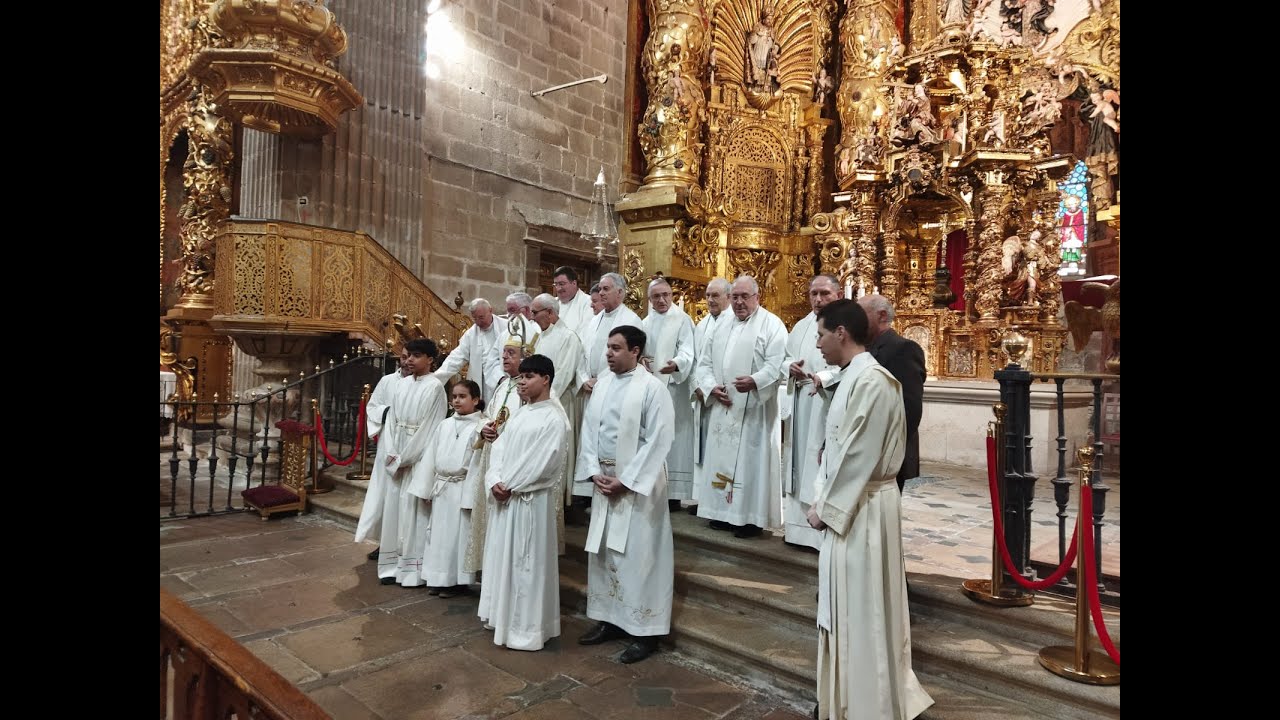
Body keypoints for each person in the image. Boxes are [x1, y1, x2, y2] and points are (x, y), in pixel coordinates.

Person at [807, 299, 934, 720]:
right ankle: (841, 698)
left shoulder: (875, 382)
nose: (818, 344)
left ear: (841, 333)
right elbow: (836, 449)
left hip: (863, 509)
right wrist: (822, 496)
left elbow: (859, 455)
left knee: (863, 608)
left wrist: (825, 508)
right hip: (851, 505)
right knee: (845, 605)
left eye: (821, 334)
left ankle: (867, 704)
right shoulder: (852, 377)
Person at [576, 325, 675, 664]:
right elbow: (589, 430)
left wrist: (627, 480)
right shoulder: (603, 384)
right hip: (605, 481)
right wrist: (593, 470)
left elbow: (660, 439)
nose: (608, 353)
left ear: (635, 351)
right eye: (607, 346)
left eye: (616, 348)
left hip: (638, 488)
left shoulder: (652, 388)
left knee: (639, 556)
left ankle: (645, 632)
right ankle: (610, 620)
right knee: (606, 553)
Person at [477, 354, 570, 652]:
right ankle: (503, 620)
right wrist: (494, 480)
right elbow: (499, 449)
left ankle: (526, 631)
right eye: (521, 377)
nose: (522, 382)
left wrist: (510, 486)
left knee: (527, 566)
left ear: (546, 379)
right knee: (505, 563)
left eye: (529, 376)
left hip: (530, 502)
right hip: (507, 500)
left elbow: (544, 464)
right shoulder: (520, 413)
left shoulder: (554, 417)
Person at [693, 275, 787, 539]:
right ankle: (721, 512)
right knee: (720, 459)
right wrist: (711, 387)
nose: (739, 302)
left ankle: (749, 519)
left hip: (754, 410)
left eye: (745, 296)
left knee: (750, 462)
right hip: (724, 406)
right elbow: (704, 363)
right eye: (735, 297)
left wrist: (756, 381)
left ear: (757, 297)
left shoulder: (772, 324)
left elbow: (777, 363)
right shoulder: (720, 326)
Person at [376, 338, 449, 586]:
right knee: (395, 510)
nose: (409, 360)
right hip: (397, 454)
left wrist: (406, 457)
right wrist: (392, 451)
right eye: (408, 356)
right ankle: (391, 567)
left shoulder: (435, 387)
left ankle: (412, 571)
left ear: (430, 360)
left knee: (414, 514)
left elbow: (431, 428)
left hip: (418, 457)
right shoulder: (402, 384)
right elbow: (391, 421)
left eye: (416, 356)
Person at [781, 275, 842, 550]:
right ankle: (797, 530)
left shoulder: (844, 325)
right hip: (800, 401)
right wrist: (789, 367)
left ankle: (819, 535)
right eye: (813, 293)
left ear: (838, 295)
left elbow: (851, 362)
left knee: (817, 460)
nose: (818, 299)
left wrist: (824, 378)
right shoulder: (802, 325)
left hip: (825, 402)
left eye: (824, 293)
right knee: (798, 462)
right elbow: (786, 357)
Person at [409, 380, 485, 598]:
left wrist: (471, 497)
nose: (456, 401)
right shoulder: (445, 424)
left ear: (475, 400)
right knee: (438, 536)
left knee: (457, 537)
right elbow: (431, 457)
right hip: (442, 487)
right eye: (454, 397)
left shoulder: (481, 427)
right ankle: (437, 578)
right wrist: (426, 488)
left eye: (462, 396)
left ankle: (457, 582)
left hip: (461, 487)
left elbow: (478, 464)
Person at [462, 333, 531, 576]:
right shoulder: (503, 385)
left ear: (525, 358)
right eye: (503, 353)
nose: (504, 357)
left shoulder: (527, 389)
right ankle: (488, 567)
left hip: (511, 460)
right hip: (491, 456)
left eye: (511, 353)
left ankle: (502, 571)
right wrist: (484, 428)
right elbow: (488, 416)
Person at [858, 294, 926, 493]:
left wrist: (886, 448)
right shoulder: (862, 350)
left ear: (881, 315)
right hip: (864, 449)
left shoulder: (904, 349)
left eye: (860, 314)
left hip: (887, 454)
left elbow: (909, 409)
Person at [529, 293, 585, 536]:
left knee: (561, 453)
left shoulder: (568, 337)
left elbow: (563, 373)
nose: (532, 317)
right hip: (539, 403)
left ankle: (562, 504)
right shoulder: (539, 337)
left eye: (535, 312)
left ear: (550, 313)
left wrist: (544, 399)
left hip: (559, 403)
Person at [640, 278, 697, 510]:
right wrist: (642, 360)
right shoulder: (645, 322)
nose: (662, 300)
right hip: (651, 386)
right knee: (653, 435)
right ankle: (654, 486)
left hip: (674, 389)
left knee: (675, 438)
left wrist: (677, 363)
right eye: (657, 296)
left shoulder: (682, 319)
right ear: (649, 299)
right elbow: (641, 351)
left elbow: (688, 350)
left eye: (666, 295)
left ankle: (674, 494)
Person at [355, 347, 409, 558]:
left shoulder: (427, 384)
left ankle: (404, 545)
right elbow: (373, 407)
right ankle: (384, 543)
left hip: (410, 445)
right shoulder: (387, 381)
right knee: (385, 494)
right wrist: (388, 412)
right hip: (388, 443)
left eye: (411, 357)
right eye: (403, 357)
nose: (407, 361)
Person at [688, 277, 730, 517]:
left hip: (721, 395)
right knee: (702, 449)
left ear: (727, 297)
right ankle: (704, 497)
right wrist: (697, 385)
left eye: (715, 295)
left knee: (719, 452)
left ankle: (719, 500)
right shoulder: (702, 324)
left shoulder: (732, 322)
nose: (710, 300)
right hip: (703, 395)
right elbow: (695, 360)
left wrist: (711, 386)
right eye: (708, 296)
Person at [433, 298, 508, 402]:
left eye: (481, 317)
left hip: (502, 378)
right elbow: (456, 358)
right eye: (475, 318)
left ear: (490, 310)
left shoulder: (507, 327)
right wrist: (436, 379)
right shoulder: (471, 335)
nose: (478, 322)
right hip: (480, 382)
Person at [483, 292, 538, 393]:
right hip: (506, 386)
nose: (508, 315)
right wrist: (501, 378)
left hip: (530, 388)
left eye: (512, 310)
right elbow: (492, 362)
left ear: (526, 310)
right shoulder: (505, 333)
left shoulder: (537, 332)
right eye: (508, 311)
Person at [553, 266, 594, 337]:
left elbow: (585, 333)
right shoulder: (552, 302)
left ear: (574, 283)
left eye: (561, 284)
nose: (558, 288)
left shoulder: (588, 302)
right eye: (556, 284)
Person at [746, 9, 780, 92]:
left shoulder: (772, 31)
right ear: (764, 19)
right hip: (758, 55)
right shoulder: (758, 28)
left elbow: (777, 44)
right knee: (757, 71)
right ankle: (755, 86)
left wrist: (775, 50)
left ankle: (766, 87)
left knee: (767, 73)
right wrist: (754, 33)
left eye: (771, 19)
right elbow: (752, 41)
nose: (770, 21)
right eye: (768, 19)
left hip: (767, 57)